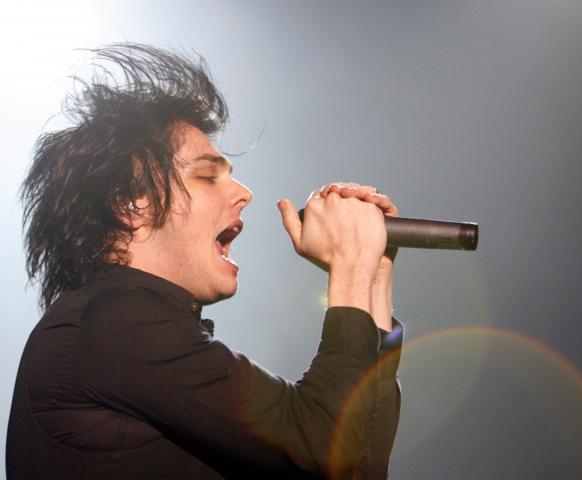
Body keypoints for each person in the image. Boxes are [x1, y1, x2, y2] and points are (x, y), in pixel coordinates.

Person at [6, 43, 403, 479]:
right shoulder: (114, 320)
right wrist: (350, 264)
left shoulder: (126, 330)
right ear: (130, 204)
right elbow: (322, 449)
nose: (244, 193)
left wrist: (372, 277)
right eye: (208, 175)